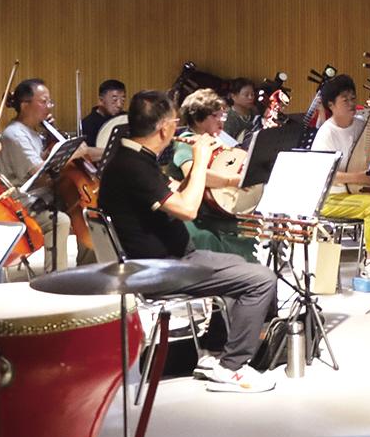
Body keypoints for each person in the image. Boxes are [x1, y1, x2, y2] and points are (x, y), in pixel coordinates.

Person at [97, 90, 278, 393]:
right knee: (261, 279)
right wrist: (202, 159)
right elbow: (188, 209)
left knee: (237, 263)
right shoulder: (133, 167)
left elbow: (176, 191)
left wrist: (204, 173)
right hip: (161, 270)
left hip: (164, 261)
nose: (177, 129)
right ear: (163, 129)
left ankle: (217, 350)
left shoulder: (133, 159)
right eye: (174, 123)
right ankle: (232, 368)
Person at [0, 79, 82, 269]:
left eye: (50, 101)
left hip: (44, 196)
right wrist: (68, 154)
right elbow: (40, 174)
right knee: (59, 221)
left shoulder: (33, 132)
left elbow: (41, 162)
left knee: (85, 210)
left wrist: (53, 138)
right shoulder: (15, 134)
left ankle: (87, 268)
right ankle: (56, 278)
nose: (49, 107)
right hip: (24, 203)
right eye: (44, 101)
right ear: (25, 105)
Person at [310, 74, 370, 273]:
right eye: (345, 100)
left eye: (353, 98)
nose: (352, 103)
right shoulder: (326, 133)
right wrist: (359, 177)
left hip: (355, 193)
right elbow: (325, 174)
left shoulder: (361, 126)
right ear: (331, 105)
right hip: (329, 199)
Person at [171, 88, 258, 261]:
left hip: (218, 210)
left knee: (254, 229)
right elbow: (195, 174)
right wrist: (233, 181)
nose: (221, 121)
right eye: (215, 116)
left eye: (222, 115)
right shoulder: (187, 142)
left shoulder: (219, 140)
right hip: (199, 215)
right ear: (198, 119)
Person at [81, 79, 126, 146]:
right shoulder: (88, 124)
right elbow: (86, 150)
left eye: (122, 100)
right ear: (101, 100)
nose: (119, 105)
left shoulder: (125, 118)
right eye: (114, 100)